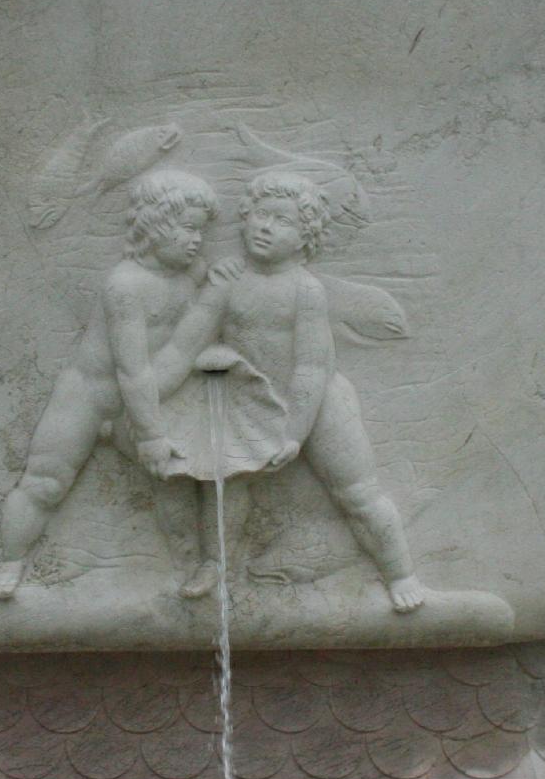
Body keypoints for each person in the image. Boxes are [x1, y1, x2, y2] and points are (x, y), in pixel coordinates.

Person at [162, 168, 426, 613]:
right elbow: (188, 342)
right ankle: (217, 562)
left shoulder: (306, 290)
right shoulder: (227, 282)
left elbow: (311, 366)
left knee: (358, 492)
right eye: (260, 214)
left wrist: (294, 433)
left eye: (282, 220)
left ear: (305, 237)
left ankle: (400, 572)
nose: (265, 226)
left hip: (315, 402)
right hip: (248, 400)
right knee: (222, 483)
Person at [0, 168, 225, 600]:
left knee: (174, 480)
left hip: (142, 400)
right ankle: (9, 562)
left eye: (201, 231)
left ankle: (192, 568)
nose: (197, 240)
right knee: (45, 481)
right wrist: (151, 435)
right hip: (89, 396)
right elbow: (131, 369)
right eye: (188, 228)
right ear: (155, 227)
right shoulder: (126, 284)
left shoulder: (193, 274)